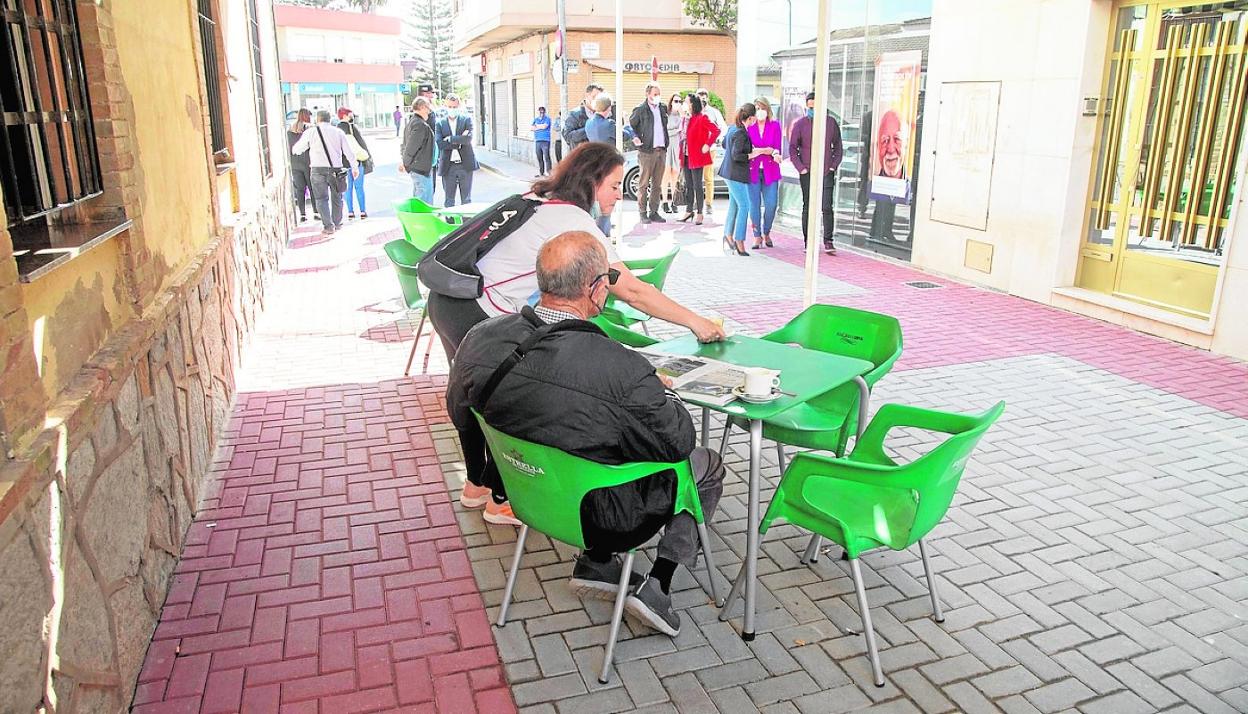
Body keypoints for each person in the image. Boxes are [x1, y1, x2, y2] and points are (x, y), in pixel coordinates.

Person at [425, 142, 727, 526]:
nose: (620, 195)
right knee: (501, 399)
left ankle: (476, 486)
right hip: (480, 310)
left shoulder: (537, 198)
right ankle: (502, 498)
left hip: (449, 300)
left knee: (469, 393)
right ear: (593, 180)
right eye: (615, 186)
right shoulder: (573, 221)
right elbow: (631, 289)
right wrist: (696, 322)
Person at [446, 231, 726, 634]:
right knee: (705, 465)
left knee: (594, 445)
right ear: (595, 289)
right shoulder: (619, 367)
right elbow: (679, 442)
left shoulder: (479, 338)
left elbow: (461, 414)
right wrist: (664, 395)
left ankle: (597, 563)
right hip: (607, 517)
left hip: (528, 497)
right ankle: (658, 585)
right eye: (608, 281)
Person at [789, 91, 844, 255]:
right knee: (808, 207)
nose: (812, 110)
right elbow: (793, 148)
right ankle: (808, 242)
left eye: (815, 107)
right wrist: (801, 168)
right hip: (807, 173)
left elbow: (838, 147)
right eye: (809, 107)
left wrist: (833, 166)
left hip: (826, 172)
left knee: (826, 206)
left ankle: (828, 241)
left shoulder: (831, 123)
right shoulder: (800, 124)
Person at [292, 109, 358, 236]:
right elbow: (349, 152)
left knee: (321, 199)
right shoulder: (338, 132)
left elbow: (297, 149)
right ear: (330, 119)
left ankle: (328, 226)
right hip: (336, 169)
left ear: (318, 119)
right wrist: (354, 167)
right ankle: (337, 223)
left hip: (317, 169)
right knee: (337, 197)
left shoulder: (310, 132)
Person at [719, 103, 762, 257]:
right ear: (750, 118)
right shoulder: (741, 133)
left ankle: (728, 235)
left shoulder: (733, 128)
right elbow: (738, 155)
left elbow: (725, 145)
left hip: (728, 172)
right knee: (745, 205)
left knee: (734, 205)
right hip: (736, 174)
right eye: (754, 118)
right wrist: (752, 154)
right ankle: (739, 240)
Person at [628, 82, 669, 225]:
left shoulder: (662, 108)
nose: (657, 97)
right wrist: (634, 137)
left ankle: (654, 212)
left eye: (659, 94)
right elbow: (630, 126)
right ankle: (642, 213)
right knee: (643, 184)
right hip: (646, 152)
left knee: (657, 184)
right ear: (648, 94)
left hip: (661, 150)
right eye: (655, 94)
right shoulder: (640, 109)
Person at [747, 97, 782, 249]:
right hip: (752, 171)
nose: (760, 111)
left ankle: (766, 231)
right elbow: (749, 150)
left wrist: (773, 152)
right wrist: (764, 150)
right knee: (754, 205)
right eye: (757, 108)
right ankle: (756, 235)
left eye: (762, 108)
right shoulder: (749, 127)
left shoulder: (775, 126)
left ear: (767, 110)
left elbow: (777, 147)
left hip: (770, 170)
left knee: (771, 204)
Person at [679, 94, 719, 226]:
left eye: (686, 102)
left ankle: (700, 212)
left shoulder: (702, 118)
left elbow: (715, 130)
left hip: (696, 155)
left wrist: (707, 144)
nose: (684, 104)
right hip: (685, 155)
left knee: (697, 185)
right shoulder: (686, 118)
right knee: (688, 185)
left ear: (692, 104)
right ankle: (689, 210)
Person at [436, 94, 479, 207]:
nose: (452, 109)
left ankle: (468, 224)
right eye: (450, 107)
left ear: (458, 106)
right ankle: (450, 224)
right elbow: (440, 144)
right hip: (448, 166)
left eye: (454, 107)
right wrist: (459, 142)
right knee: (449, 201)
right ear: (445, 105)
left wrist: (450, 139)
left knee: (466, 200)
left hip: (465, 165)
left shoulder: (466, 120)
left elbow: (468, 139)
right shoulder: (440, 123)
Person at [400, 97, 436, 203]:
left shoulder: (412, 122)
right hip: (420, 169)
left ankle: (419, 219)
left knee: (419, 198)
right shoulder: (420, 125)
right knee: (424, 202)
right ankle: (423, 220)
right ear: (422, 107)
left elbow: (404, 145)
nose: (429, 112)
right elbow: (411, 147)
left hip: (418, 168)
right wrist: (404, 162)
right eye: (428, 108)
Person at [696, 89, 727, 216]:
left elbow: (723, 128)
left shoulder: (714, 112)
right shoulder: (694, 111)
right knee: (695, 177)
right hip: (695, 149)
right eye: (699, 97)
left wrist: (716, 140)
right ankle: (696, 202)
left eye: (704, 97)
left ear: (707, 98)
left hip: (710, 149)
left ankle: (708, 204)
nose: (702, 99)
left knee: (708, 177)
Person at [337, 107, 371, 220]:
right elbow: (361, 143)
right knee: (359, 187)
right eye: (349, 114)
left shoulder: (336, 130)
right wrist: (368, 158)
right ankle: (362, 211)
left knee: (347, 189)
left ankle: (350, 212)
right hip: (357, 161)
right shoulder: (352, 128)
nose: (351, 116)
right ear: (345, 116)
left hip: (343, 164)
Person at [287, 108, 313, 223]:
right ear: (307, 116)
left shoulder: (290, 130)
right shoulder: (309, 129)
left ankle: (302, 214)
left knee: (300, 189)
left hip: (294, 163)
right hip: (308, 162)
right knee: (312, 187)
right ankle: (316, 212)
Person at [562, 83, 604, 152]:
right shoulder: (575, 114)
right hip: (582, 158)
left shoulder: (605, 114)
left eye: (600, 99)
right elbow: (568, 136)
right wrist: (589, 129)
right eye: (594, 97)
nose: (597, 101)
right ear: (587, 96)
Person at [662, 93, 685, 214]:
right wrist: (676, 130)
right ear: (671, 102)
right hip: (667, 146)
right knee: (666, 174)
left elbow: (684, 131)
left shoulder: (682, 116)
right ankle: (665, 202)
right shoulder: (666, 115)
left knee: (675, 175)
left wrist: (682, 116)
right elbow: (665, 131)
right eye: (675, 101)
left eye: (680, 101)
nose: (678, 103)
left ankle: (674, 201)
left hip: (677, 146)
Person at [419, 84, 439, 194]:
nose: (432, 95)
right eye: (431, 93)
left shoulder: (431, 110)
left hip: (431, 154)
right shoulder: (422, 113)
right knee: (425, 189)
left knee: (430, 187)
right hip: (424, 156)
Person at [530, 106, 553, 177]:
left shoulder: (547, 119)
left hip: (545, 140)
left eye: (543, 112)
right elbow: (531, 128)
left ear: (544, 112)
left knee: (546, 157)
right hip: (538, 141)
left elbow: (545, 127)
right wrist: (539, 126)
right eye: (540, 112)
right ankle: (541, 172)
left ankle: (549, 172)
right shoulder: (535, 119)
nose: (541, 113)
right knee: (539, 157)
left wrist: (537, 126)